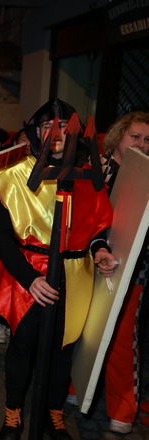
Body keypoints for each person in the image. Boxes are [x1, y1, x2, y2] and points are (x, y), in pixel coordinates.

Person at [0, 99, 117, 440]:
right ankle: (13, 413)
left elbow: (97, 228)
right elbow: (0, 237)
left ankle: (53, 413)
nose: (57, 134)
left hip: (75, 275)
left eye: (64, 127)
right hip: (28, 274)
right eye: (48, 127)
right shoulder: (11, 177)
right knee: (22, 345)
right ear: (36, 132)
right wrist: (30, 279)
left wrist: (100, 249)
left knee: (63, 348)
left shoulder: (88, 176)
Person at [98, 111, 149, 434]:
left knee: (121, 337)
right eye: (135, 137)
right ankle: (75, 388)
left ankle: (122, 408)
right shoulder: (97, 168)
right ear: (118, 137)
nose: (142, 144)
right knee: (84, 331)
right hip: (89, 263)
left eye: (147, 139)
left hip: (134, 269)